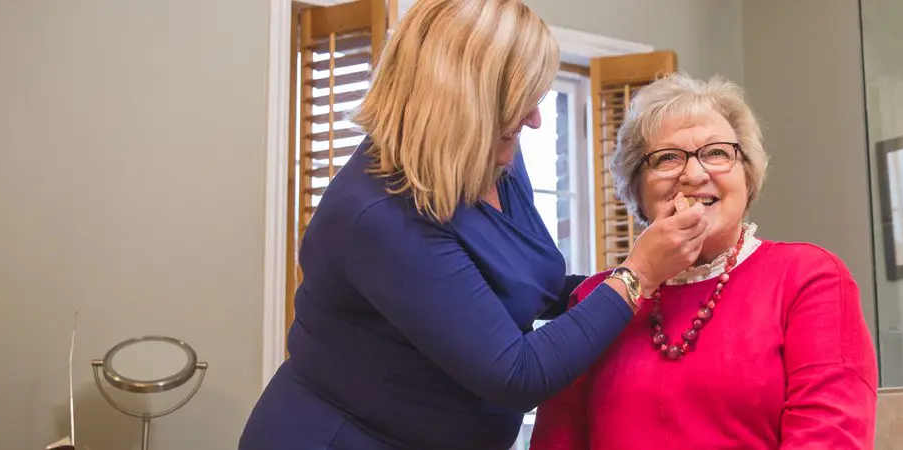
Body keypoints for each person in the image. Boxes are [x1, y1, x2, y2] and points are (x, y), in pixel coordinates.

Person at [238, 1, 712, 449]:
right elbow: (516, 374)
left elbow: (526, 286)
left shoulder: (492, 154)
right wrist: (637, 276)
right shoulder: (377, 214)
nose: (535, 120)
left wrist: (653, 276)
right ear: (464, 101)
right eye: (521, 102)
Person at [529, 73, 879, 449]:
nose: (694, 175)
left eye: (716, 153)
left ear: (746, 173)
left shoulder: (808, 278)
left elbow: (829, 437)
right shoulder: (595, 299)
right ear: (637, 186)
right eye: (667, 158)